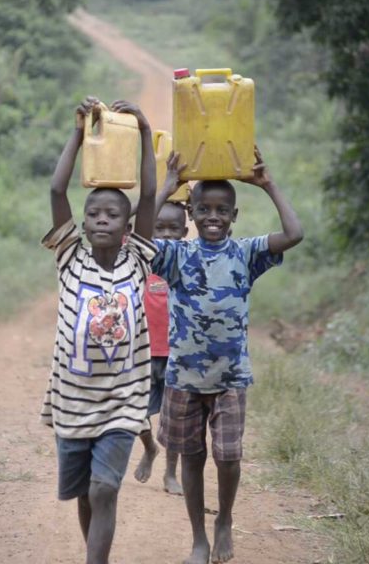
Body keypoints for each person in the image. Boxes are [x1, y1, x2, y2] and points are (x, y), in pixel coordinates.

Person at [152, 149, 304, 564]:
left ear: (235, 216)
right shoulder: (176, 255)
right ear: (192, 214)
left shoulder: (246, 253)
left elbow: (294, 234)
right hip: (184, 378)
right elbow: (138, 238)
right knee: (192, 458)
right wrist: (167, 186)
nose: (212, 217)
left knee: (229, 457)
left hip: (231, 378)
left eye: (222, 210)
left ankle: (225, 521)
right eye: (203, 209)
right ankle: (199, 537)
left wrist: (268, 184)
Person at [41, 96, 156, 564]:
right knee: (86, 495)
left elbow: (149, 197)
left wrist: (146, 131)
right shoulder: (70, 259)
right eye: (94, 215)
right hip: (72, 400)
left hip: (124, 399)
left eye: (112, 214)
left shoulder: (137, 261)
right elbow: (55, 190)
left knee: (106, 488)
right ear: (83, 225)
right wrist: (77, 132)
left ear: (127, 226)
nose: (102, 218)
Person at [132, 200, 188, 495]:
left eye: (173, 229)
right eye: (158, 228)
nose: (166, 235)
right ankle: (149, 447)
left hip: (176, 355)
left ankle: (170, 473)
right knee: (134, 412)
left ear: (185, 231)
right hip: (141, 353)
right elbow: (123, 225)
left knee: (174, 419)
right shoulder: (138, 261)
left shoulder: (186, 263)